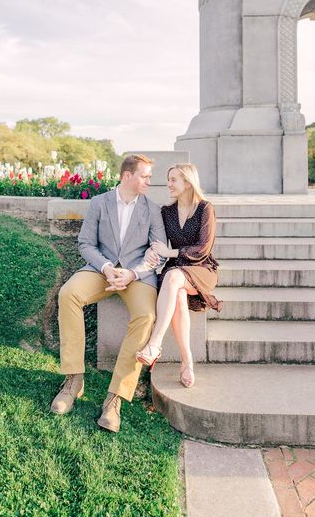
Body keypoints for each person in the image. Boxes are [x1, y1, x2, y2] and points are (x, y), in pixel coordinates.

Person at [50, 154, 167, 433]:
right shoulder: (99, 203)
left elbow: (159, 250)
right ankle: (73, 380)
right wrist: (106, 268)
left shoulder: (152, 209)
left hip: (136, 276)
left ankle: (115, 398)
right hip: (101, 270)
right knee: (68, 295)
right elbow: (86, 243)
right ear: (127, 176)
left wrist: (133, 273)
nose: (149, 181)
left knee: (146, 315)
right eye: (145, 176)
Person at [136, 163, 222, 388]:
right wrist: (151, 251)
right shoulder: (166, 212)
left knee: (173, 278)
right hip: (176, 270)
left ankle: (155, 343)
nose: (169, 184)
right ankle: (187, 362)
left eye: (173, 179)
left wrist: (171, 252)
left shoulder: (205, 209)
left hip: (201, 268)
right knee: (178, 297)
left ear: (188, 182)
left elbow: (203, 248)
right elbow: (154, 240)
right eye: (168, 179)